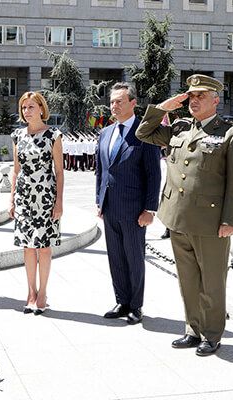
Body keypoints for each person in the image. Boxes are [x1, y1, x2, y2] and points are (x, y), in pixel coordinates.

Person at [136, 74, 233, 354]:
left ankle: (212, 334)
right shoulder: (180, 129)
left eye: (201, 96)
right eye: (191, 96)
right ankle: (192, 329)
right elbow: (143, 133)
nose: (194, 100)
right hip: (177, 218)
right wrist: (163, 107)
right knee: (187, 279)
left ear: (215, 100)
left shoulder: (230, 133)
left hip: (210, 222)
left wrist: (230, 220)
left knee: (212, 281)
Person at [96, 82, 161, 324]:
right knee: (116, 257)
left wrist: (150, 209)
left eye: (119, 101)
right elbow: (101, 170)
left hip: (134, 209)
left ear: (133, 103)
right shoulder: (105, 133)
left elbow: (153, 174)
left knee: (134, 257)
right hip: (110, 207)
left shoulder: (144, 133)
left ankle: (136, 305)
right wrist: (99, 200)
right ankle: (121, 301)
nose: (114, 106)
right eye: (112, 101)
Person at [8, 92, 64, 315]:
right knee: (28, 246)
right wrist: (11, 199)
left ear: (41, 108)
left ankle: (43, 293)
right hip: (23, 197)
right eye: (24, 108)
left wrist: (59, 202)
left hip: (45, 197)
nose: (27, 111)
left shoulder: (53, 135)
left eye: (31, 107)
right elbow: (16, 170)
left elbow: (59, 172)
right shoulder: (17, 135)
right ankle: (31, 292)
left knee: (44, 246)